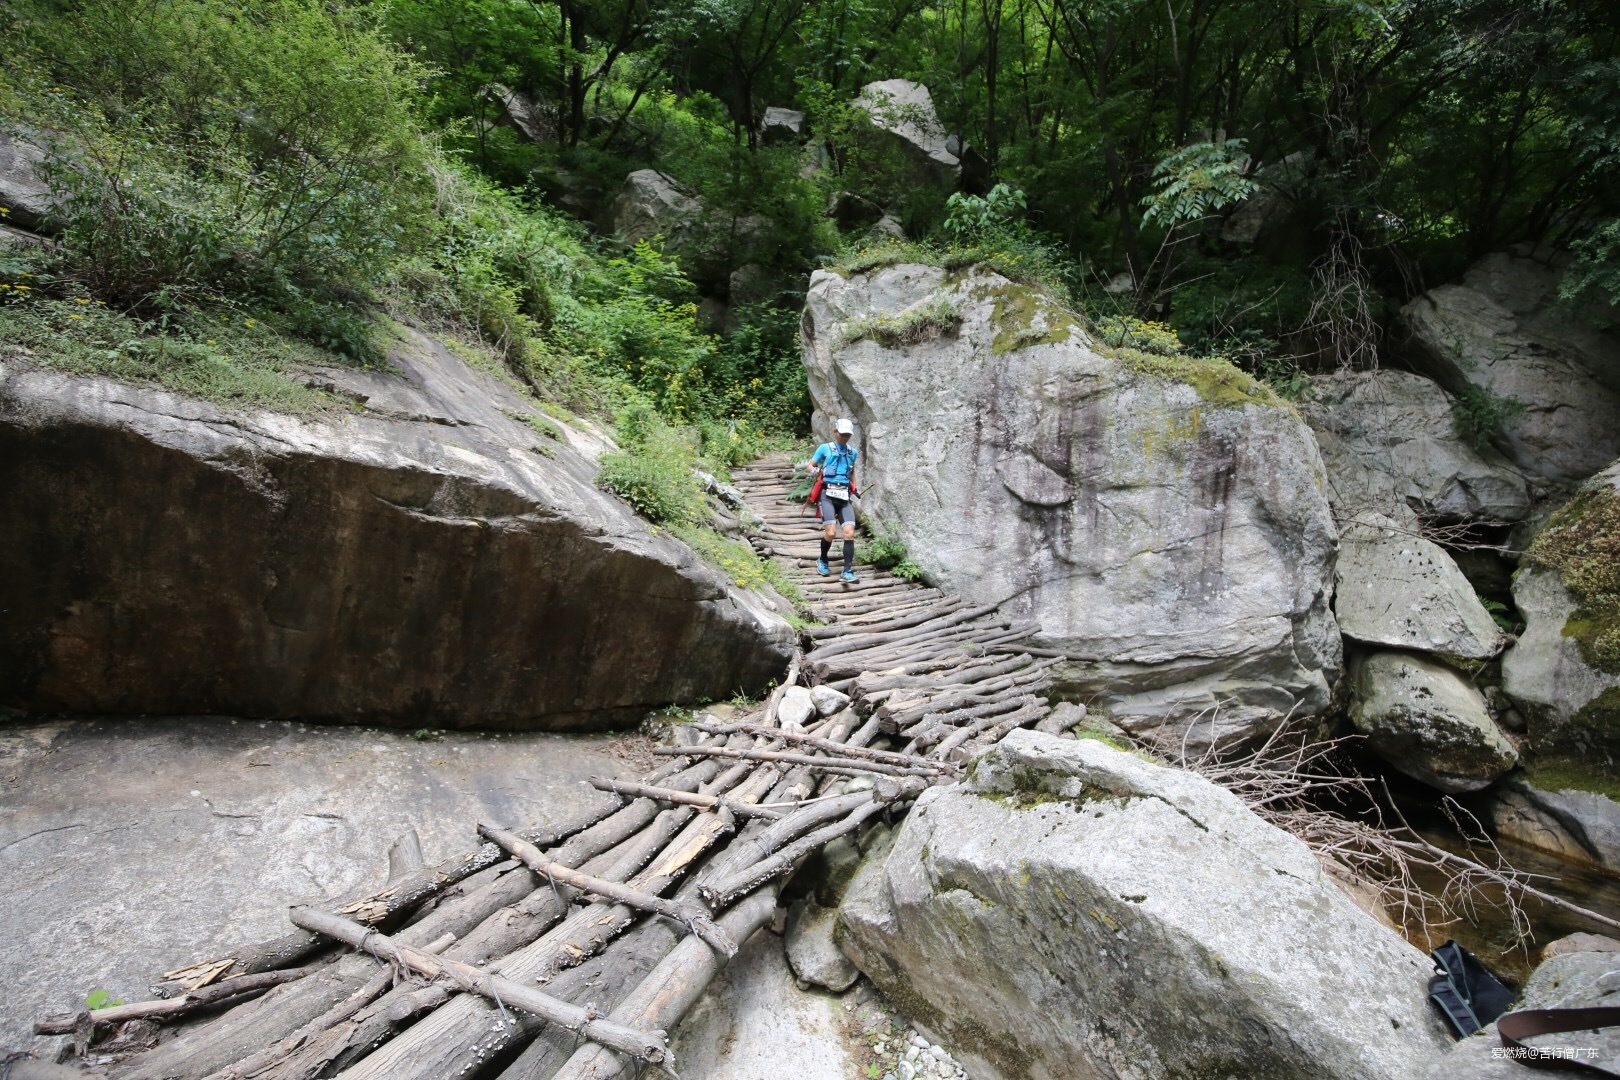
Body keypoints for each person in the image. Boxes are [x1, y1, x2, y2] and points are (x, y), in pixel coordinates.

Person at [805, 418, 860, 582]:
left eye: (848, 435)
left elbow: (852, 471)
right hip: (827, 495)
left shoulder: (853, 452)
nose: (845, 437)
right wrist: (814, 471)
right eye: (842, 434)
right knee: (830, 533)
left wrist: (854, 487)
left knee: (849, 533)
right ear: (835, 432)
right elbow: (810, 465)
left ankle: (847, 571)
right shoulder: (825, 448)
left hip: (844, 496)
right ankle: (822, 559)